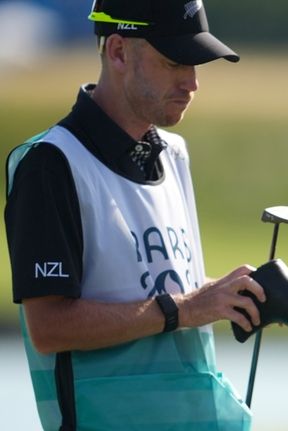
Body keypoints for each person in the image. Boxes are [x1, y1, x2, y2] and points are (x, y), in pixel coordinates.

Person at [4, 1, 266, 429]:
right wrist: (186, 307)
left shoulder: (174, 153)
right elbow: (49, 326)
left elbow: (161, 290)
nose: (193, 82)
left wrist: (227, 296)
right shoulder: (49, 163)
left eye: (197, 64)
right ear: (119, 52)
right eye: (175, 62)